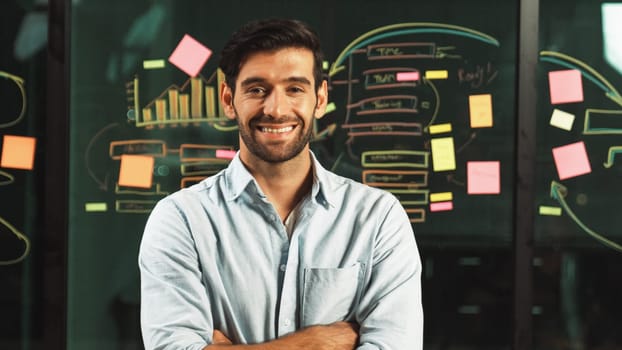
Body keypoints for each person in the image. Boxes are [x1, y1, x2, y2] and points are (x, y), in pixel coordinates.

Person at [139, 18, 423, 349]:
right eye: (257, 89)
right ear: (229, 100)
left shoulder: (378, 218)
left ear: (320, 98)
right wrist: (314, 342)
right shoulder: (180, 220)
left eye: (294, 89)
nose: (276, 109)